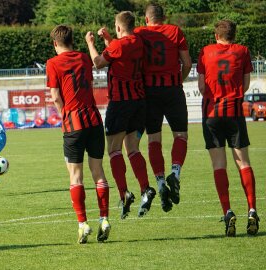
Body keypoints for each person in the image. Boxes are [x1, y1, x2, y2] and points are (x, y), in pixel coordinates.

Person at [85, 11, 156, 219]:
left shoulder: (118, 45)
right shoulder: (138, 42)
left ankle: (124, 193)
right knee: (132, 148)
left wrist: (90, 43)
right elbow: (120, 51)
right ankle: (145, 188)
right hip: (139, 102)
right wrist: (108, 39)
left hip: (120, 103)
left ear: (118, 27)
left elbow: (98, 62)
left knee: (114, 150)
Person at [47, 25, 110, 244]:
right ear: (72, 41)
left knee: (75, 176)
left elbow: (56, 96)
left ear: (55, 43)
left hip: (73, 123)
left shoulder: (53, 63)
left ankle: (83, 224)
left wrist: (64, 115)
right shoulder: (84, 58)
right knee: (98, 172)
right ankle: (104, 219)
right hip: (93, 120)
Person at [197, 20, 259, 237]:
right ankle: (252, 209)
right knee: (243, 162)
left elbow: (202, 86)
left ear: (216, 35)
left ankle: (228, 212)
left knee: (218, 165)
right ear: (234, 35)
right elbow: (246, 84)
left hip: (212, 115)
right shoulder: (242, 51)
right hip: (234, 112)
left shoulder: (205, 52)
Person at [134, 3, 192, 212]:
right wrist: (179, 79)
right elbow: (186, 63)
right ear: (163, 17)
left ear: (146, 19)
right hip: (172, 90)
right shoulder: (175, 31)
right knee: (181, 136)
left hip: (150, 93)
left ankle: (160, 184)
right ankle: (175, 173)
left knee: (154, 140)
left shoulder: (140, 33)